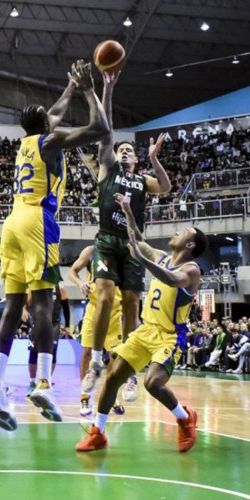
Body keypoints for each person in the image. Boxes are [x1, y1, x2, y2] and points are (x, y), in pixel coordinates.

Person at [0, 59, 109, 431]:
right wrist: (87, 90)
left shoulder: (26, 143)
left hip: (12, 223)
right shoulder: (52, 141)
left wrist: (69, 87)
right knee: (44, 306)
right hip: (38, 220)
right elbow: (100, 127)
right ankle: (45, 384)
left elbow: (54, 111)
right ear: (47, 127)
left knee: (12, 306)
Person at [76, 193, 205, 453]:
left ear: (189, 245)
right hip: (145, 330)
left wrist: (141, 260)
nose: (178, 231)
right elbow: (137, 239)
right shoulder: (160, 255)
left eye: (184, 231)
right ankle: (98, 432)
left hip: (170, 336)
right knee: (112, 378)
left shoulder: (192, 270)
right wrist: (127, 210)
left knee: (152, 383)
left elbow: (171, 279)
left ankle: (184, 419)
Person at [81, 69, 172, 396]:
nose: (123, 152)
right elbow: (105, 131)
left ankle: (129, 372)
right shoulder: (108, 168)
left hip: (134, 245)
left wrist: (153, 158)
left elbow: (165, 186)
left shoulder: (142, 180)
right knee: (105, 295)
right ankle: (95, 361)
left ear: (135, 158)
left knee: (132, 302)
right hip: (106, 239)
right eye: (121, 150)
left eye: (129, 151)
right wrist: (107, 90)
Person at [67, 245, 129, 417]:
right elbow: (72, 271)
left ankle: (111, 394)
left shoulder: (125, 252)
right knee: (87, 352)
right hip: (94, 309)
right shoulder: (91, 251)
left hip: (115, 313)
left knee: (114, 357)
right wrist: (80, 282)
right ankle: (85, 396)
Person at [25, 284, 70, 397]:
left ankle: (46, 382)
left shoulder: (61, 288)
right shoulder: (36, 285)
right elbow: (26, 302)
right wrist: (23, 309)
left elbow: (66, 308)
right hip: (37, 322)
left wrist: (68, 325)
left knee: (52, 353)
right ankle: (32, 383)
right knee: (33, 353)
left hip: (54, 324)